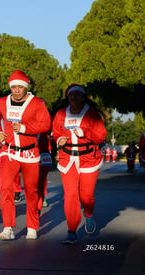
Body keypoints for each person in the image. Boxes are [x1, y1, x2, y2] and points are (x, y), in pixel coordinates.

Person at [0, 70, 51, 241]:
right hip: (9, 153)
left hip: (30, 153)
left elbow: (46, 124)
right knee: (6, 189)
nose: (16, 90)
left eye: (20, 87)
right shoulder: (2, 102)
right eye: (13, 87)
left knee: (31, 191)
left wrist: (25, 128)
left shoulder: (37, 103)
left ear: (26, 87)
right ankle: (8, 228)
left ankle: (32, 227)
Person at [52, 84, 107, 245]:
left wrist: (86, 133)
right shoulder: (61, 114)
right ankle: (72, 230)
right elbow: (56, 131)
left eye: (77, 94)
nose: (74, 97)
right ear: (67, 97)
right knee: (70, 195)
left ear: (83, 97)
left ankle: (88, 213)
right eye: (71, 95)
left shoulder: (91, 114)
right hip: (68, 159)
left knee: (86, 196)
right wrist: (59, 139)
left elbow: (101, 136)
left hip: (89, 159)